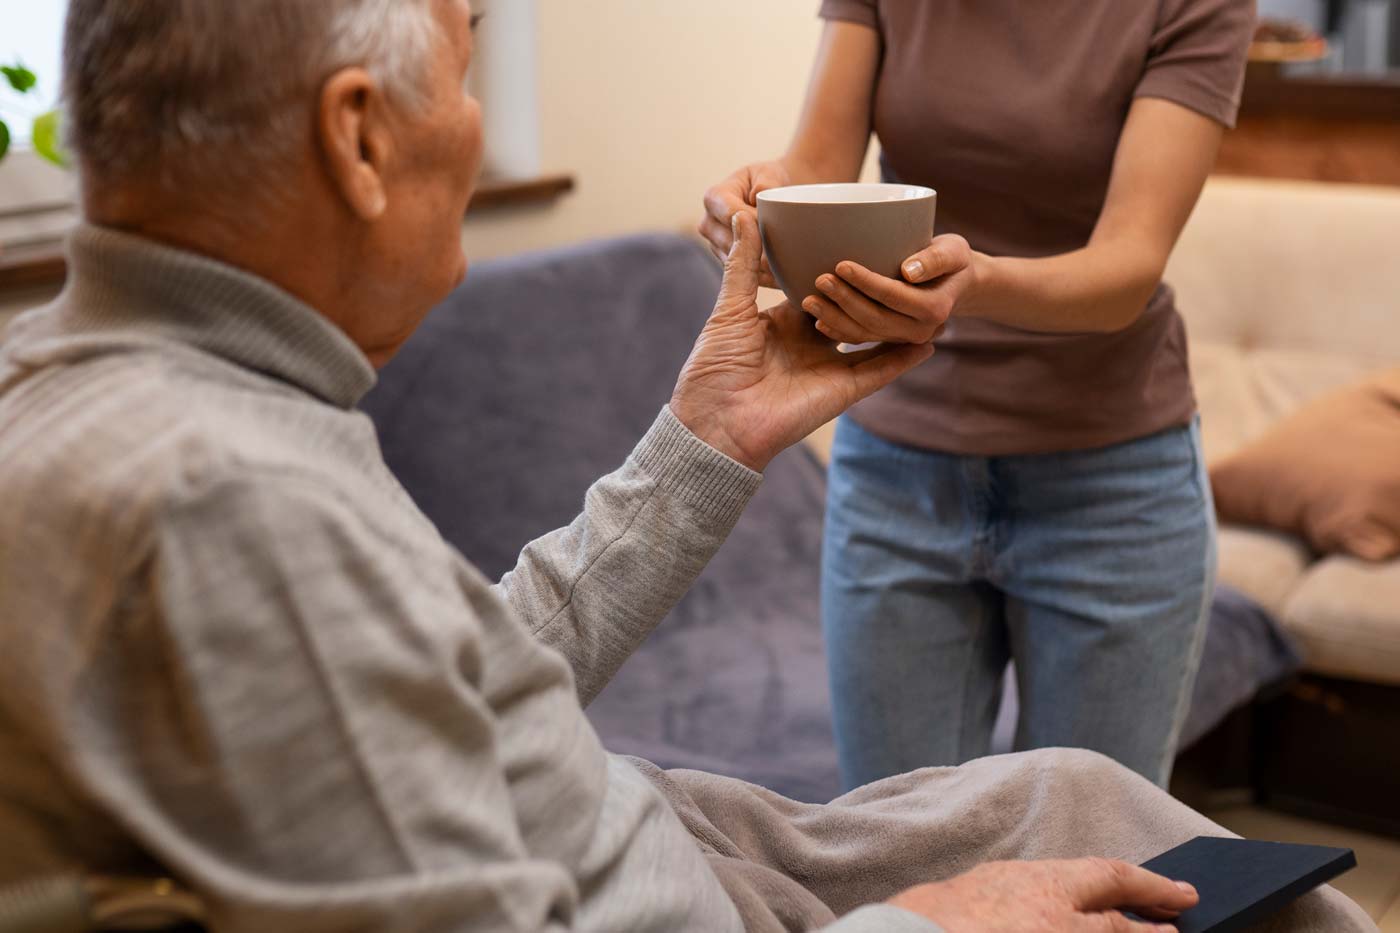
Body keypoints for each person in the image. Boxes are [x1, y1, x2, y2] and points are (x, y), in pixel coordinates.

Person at [0, 1, 1373, 931]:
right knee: (1208, 889)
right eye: (471, 63)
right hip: (710, 894)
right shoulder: (223, 505)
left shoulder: (175, 407)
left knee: (1117, 813)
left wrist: (711, 435)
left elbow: (467, 679)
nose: (479, 129)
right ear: (360, 137)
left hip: (688, 841)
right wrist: (929, 922)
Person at [701, 0, 1254, 790]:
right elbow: (815, 168)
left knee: (1091, 860)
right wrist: (760, 204)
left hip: (1111, 482)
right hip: (895, 473)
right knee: (898, 852)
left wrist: (976, 282)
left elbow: (1127, 267)